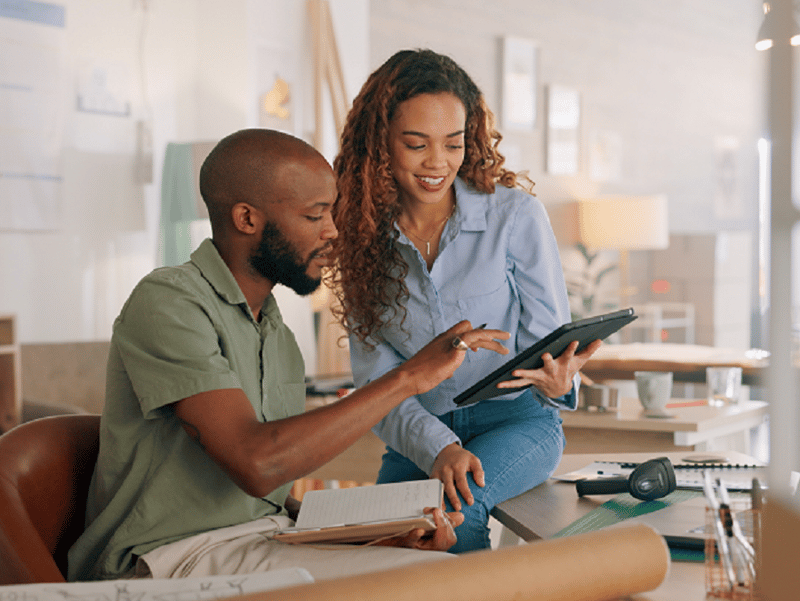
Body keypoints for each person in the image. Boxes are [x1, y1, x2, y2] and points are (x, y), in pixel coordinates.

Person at [67, 128, 509, 582]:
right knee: (436, 582)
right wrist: (407, 379)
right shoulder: (169, 302)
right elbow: (257, 465)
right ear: (246, 218)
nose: (333, 231)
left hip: (262, 538)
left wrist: (374, 538)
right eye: (314, 215)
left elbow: (264, 501)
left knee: (436, 568)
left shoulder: (275, 329)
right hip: (171, 559)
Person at [329, 49, 602, 553]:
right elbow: (377, 385)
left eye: (453, 144)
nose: (438, 163)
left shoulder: (515, 217)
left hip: (516, 423)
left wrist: (561, 378)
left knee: (453, 512)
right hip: (417, 436)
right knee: (376, 544)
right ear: (381, 145)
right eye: (416, 145)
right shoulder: (361, 237)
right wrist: (440, 447)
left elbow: (550, 348)